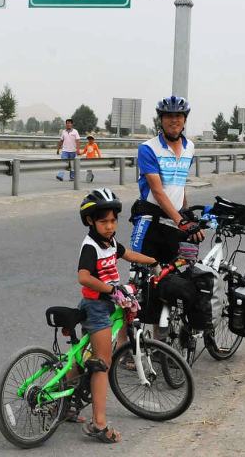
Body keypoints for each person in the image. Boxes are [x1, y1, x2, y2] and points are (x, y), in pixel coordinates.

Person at [75, 188, 158, 443]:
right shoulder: (91, 246)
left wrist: (153, 261)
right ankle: (99, 424)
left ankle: (65, 404)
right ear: (90, 221)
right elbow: (83, 277)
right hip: (96, 307)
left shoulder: (109, 242)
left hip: (106, 304)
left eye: (113, 220)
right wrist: (111, 289)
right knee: (102, 363)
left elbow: (127, 253)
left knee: (82, 355)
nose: (110, 226)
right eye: (103, 222)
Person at [129, 96, 206, 329]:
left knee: (169, 285)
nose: (174, 120)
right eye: (169, 116)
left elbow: (179, 186)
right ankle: (125, 345)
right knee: (138, 288)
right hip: (149, 222)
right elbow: (158, 192)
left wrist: (187, 214)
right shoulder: (148, 148)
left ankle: (159, 344)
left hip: (173, 223)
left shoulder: (190, 147)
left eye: (178, 116)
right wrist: (181, 221)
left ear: (184, 120)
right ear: (161, 120)